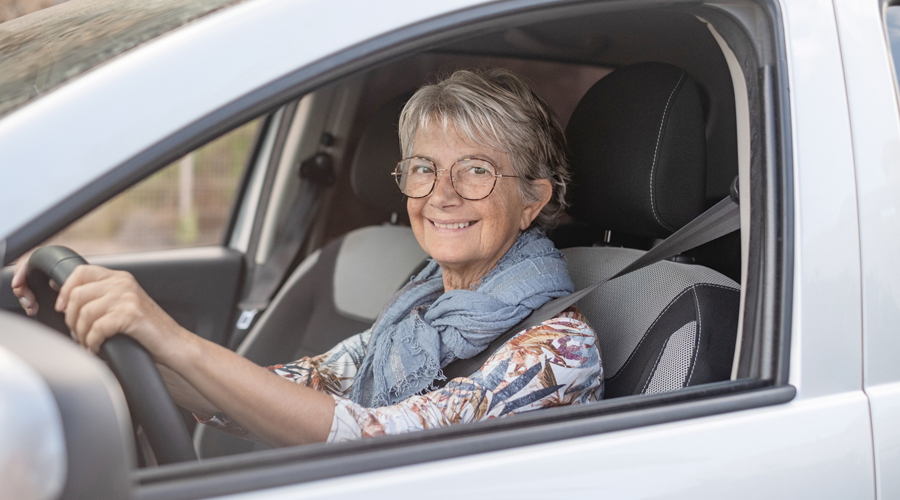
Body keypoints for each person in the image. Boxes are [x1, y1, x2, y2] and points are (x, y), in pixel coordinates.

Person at [11, 69, 603, 446]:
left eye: (476, 170)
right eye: (424, 167)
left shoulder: (559, 350)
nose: (441, 194)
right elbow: (289, 391)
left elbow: (376, 440)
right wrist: (113, 343)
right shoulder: (419, 311)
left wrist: (173, 339)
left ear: (533, 201)